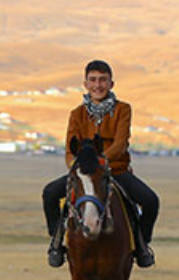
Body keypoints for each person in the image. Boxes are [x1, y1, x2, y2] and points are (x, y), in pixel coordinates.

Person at [43, 60, 159, 268]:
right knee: (50, 193)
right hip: (84, 172)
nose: (98, 85)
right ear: (85, 84)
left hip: (116, 171)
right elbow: (70, 148)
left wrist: (101, 162)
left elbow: (121, 143)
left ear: (111, 84)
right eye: (93, 80)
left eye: (103, 80)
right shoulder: (76, 114)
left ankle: (142, 246)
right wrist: (75, 167)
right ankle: (57, 242)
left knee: (150, 201)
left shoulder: (123, 109)